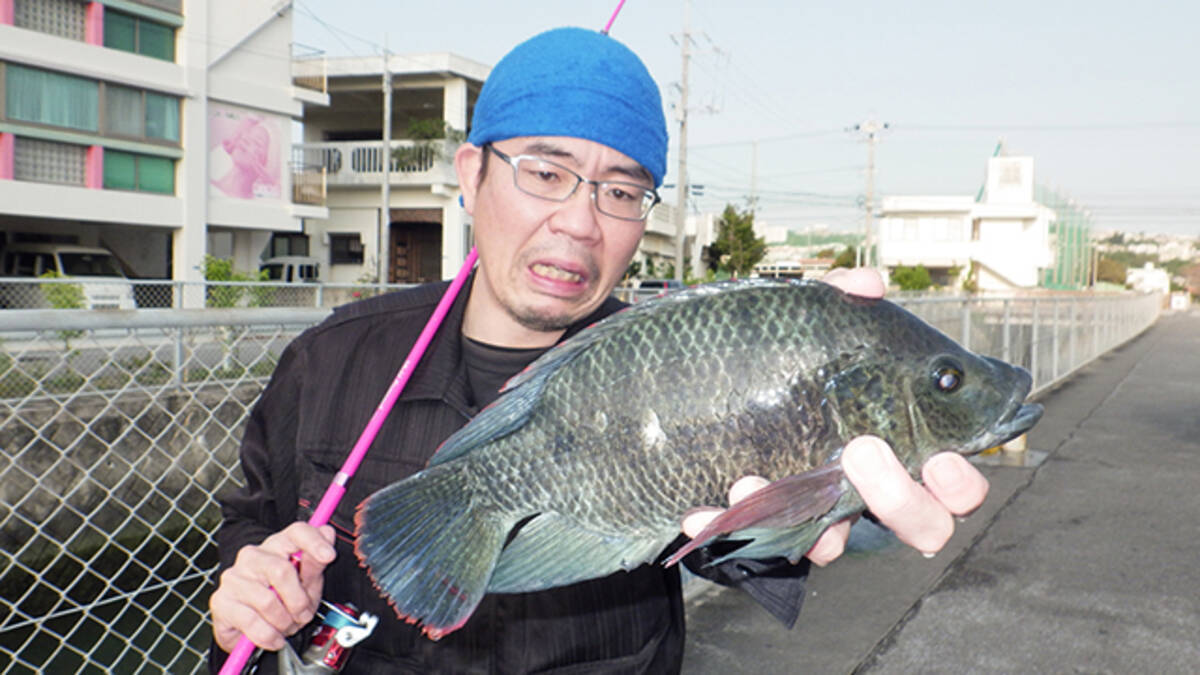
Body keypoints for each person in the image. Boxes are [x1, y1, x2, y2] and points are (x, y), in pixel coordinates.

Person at [208, 26, 988, 674]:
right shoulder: (329, 361)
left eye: (621, 191)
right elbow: (249, 521)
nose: (581, 222)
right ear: (472, 174)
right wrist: (247, 591)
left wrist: (855, 502)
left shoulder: (681, 357)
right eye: (546, 171)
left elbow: (736, 539)